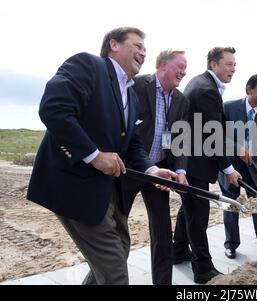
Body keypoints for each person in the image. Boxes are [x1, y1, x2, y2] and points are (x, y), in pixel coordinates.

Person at [26, 27, 177, 285]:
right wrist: (94, 156)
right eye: (137, 45)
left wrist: (151, 171)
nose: (143, 52)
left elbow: (131, 146)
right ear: (114, 45)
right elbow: (54, 109)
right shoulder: (88, 65)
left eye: (145, 48)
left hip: (107, 191)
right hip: (74, 185)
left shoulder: (130, 92)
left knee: (120, 249)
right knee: (115, 272)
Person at [172, 47, 242, 284]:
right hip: (194, 163)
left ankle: (179, 250)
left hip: (191, 160)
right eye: (229, 64)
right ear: (214, 65)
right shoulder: (207, 91)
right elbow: (212, 136)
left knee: (189, 208)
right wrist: (229, 170)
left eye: (234, 64)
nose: (233, 68)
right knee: (198, 217)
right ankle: (202, 270)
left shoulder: (201, 83)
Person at [119, 50, 190, 285]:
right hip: (129, 168)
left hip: (159, 171)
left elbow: (178, 140)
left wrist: (180, 170)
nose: (184, 71)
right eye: (179, 66)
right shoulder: (137, 85)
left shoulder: (180, 100)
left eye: (185, 67)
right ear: (162, 65)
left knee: (162, 231)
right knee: (117, 232)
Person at [219, 74, 257, 258]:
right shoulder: (228, 108)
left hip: (256, 168)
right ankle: (231, 244)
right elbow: (217, 137)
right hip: (230, 166)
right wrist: (238, 150)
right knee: (231, 206)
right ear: (248, 89)